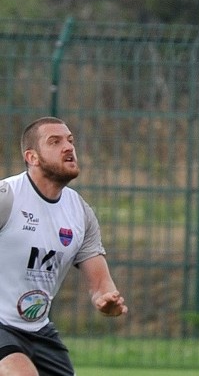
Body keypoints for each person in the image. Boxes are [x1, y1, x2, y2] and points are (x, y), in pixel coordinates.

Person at [0, 117, 127, 376]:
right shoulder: (7, 197)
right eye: (54, 142)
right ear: (32, 157)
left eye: (70, 140)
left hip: (37, 329)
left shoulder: (80, 213)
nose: (68, 147)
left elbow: (101, 283)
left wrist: (107, 300)